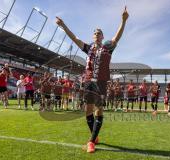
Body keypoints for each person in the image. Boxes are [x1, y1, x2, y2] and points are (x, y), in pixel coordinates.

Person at [56, 6, 128, 153]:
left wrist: (123, 20)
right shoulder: (88, 48)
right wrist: (63, 25)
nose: (96, 34)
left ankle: (91, 141)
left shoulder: (108, 47)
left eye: (99, 33)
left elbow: (117, 37)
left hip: (101, 83)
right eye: (94, 33)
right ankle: (94, 136)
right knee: (87, 111)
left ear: (102, 37)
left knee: (98, 111)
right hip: (88, 82)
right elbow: (74, 38)